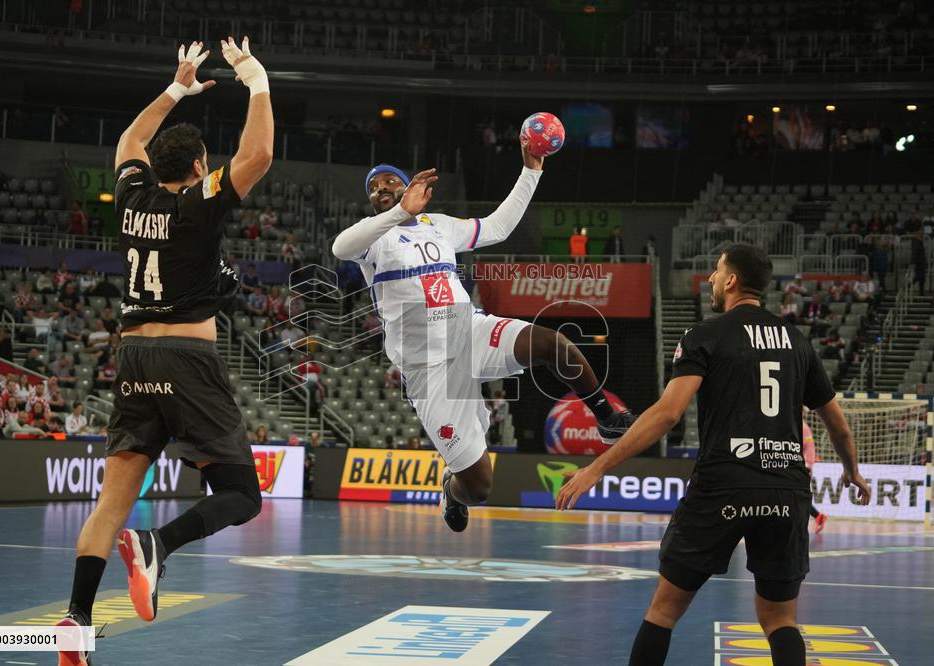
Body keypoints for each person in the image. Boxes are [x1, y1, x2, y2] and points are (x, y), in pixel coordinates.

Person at [56, 38, 275, 666]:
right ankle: (159, 545)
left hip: (132, 360)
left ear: (155, 166)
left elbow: (131, 137)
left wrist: (177, 87)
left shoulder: (131, 196)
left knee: (111, 501)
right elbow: (258, 154)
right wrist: (256, 78)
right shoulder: (197, 202)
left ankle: (76, 620)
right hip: (186, 358)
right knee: (241, 494)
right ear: (201, 164)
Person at [555, 243, 871, 666]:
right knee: (780, 619)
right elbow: (839, 425)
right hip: (786, 489)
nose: (711, 279)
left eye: (717, 271)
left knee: (663, 610)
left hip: (723, 485)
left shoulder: (704, 335)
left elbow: (667, 414)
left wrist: (597, 468)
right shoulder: (798, 342)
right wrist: (852, 471)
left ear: (732, 280)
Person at [331, 139, 636, 535]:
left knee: (553, 344)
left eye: (389, 181)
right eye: (373, 187)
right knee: (478, 488)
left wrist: (531, 172)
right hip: (429, 370)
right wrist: (401, 211)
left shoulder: (438, 225)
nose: (380, 189)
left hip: (469, 332)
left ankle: (607, 418)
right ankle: (451, 490)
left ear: (409, 185)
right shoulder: (372, 239)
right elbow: (340, 247)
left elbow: (497, 227)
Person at [802, 410, 826, 533]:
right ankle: (818, 516)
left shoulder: (803, 427)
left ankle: (818, 516)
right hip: (791, 468)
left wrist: (808, 467)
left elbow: (810, 449)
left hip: (801, 469)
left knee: (798, 498)